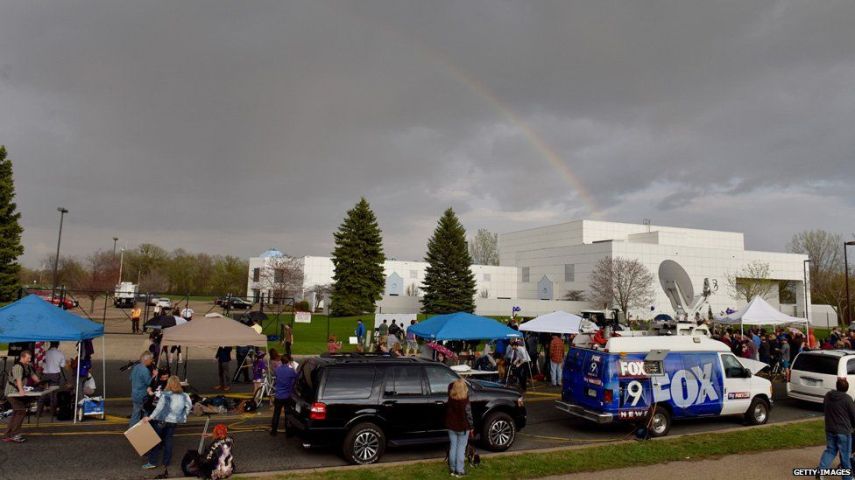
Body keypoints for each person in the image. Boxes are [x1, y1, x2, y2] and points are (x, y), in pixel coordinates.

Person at [142, 376, 193, 471]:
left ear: (168, 384)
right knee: (168, 440)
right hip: (174, 421)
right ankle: (166, 462)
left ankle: (152, 462)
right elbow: (189, 406)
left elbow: (159, 408)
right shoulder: (185, 395)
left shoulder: (165, 395)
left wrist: (150, 417)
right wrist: (183, 416)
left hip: (162, 420)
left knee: (156, 441)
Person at [817, 378, 855, 480]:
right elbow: (853, 416)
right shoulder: (847, 399)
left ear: (837, 386)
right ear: (847, 388)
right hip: (844, 431)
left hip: (830, 429)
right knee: (845, 455)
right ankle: (847, 477)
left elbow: (824, 408)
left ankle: (820, 470)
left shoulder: (828, 396)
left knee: (830, 451)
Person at [3, 350, 41, 443]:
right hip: (11, 392)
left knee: (17, 413)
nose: (29, 360)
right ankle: (14, 435)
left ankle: (8, 434)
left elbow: (33, 376)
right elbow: (18, 380)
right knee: (21, 411)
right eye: (28, 358)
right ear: (22, 357)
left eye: (30, 358)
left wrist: (41, 383)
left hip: (17, 392)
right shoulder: (18, 367)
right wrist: (21, 390)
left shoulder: (28, 366)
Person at [445, 378, 473, 477]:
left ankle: (452, 469)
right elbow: (469, 416)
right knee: (461, 449)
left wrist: (456, 381)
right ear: (464, 388)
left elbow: (450, 386)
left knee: (453, 447)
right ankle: (459, 470)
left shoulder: (450, 398)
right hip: (463, 428)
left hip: (451, 427)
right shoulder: (465, 401)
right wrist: (471, 427)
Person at [270, 355, 298, 436]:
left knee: (276, 413)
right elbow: (296, 376)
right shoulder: (291, 370)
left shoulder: (278, 369)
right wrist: (292, 367)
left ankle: (273, 431)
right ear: (288, 361)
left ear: (281, 361)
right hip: (287, 395)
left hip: (278, 395)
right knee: (287, 414)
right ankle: (288, 432)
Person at [130, 351, 155, 427]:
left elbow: (130, 378)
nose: (152, 361)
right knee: (146, 413)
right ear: (146, 360)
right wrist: (154, 375)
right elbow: (149, 382)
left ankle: (132, 429)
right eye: (151, 359)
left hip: (134, 393)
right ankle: (143, 430)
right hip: (142, 395)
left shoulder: (136, 367)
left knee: (135, 413)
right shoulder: (145, 370)